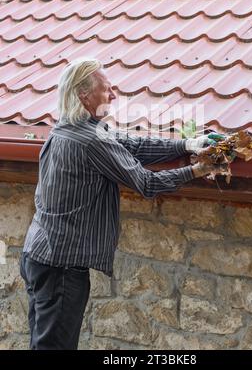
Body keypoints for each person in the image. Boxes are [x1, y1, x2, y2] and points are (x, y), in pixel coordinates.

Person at [20, 58, 225, 350]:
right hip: (61, 267)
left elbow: (133, 145)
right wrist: (197, 170)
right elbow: (146, 183)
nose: (114, 96)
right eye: (107, 89)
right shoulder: (91, 140)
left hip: (37, 255)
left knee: (42, 344)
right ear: (83, 95)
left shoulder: (66, 128)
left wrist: (187, 145)